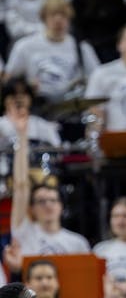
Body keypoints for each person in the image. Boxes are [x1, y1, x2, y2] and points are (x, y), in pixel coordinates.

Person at [5, 116, 90, 272]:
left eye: (53, 200)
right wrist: (22, 137)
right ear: (33, 209)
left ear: (61, 206)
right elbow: (21, 186)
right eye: (41, 201)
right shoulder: (25, 231)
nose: (48, 205)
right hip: (33, 296)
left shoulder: (77, 242)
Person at [3, 0, 100, 101]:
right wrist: (26, 86)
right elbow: (8, 81)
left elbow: (98, 79)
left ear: (69, 18)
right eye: (53, 15)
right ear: (44, 18)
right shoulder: (25, 46)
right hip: (38, 106)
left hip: (73, 105)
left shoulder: (82, 48)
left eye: (63, 15)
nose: (58, 20)